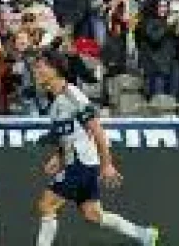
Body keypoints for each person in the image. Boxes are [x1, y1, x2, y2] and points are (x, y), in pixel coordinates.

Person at [31, 51, 158, 246]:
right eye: (35, 67)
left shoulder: (72, 96)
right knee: (92, 214)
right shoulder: (55, 99)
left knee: (46, 205)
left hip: (81, 164)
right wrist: (59, 156)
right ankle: (144, 235)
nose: (36, 71)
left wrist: (107, 165)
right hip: (80, 163)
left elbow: (97, 131)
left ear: (55, 69)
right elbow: (69, 133)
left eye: (40, 66)